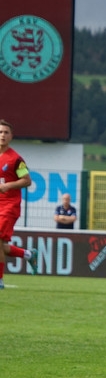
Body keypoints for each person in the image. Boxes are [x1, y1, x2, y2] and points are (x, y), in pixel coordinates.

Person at [0, 119, 36, 288]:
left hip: (9, 205)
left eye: (6, 132)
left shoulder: (15, 160)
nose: (2, 135)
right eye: (0, 132)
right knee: (2, 246)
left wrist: (8, 186)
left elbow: (27, 181)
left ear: (11, 136)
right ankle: (28, 254)